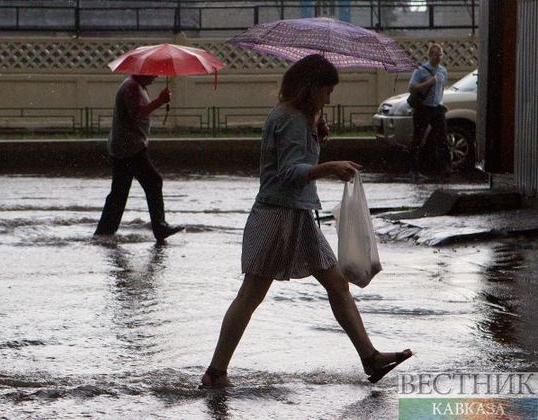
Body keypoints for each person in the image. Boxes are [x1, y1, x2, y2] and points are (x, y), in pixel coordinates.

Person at [200, 55, 412, 388]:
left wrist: (317, 137)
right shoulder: (291, 120)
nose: (330, 98)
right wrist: (329, 166)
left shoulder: (295, 117)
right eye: (327, 90)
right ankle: (215, 372)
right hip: (278, 216)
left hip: (296, 215)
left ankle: (369, 357)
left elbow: (293, 161)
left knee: (337, 284)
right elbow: (287, 173)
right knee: (250, 295)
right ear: (310, 87)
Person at [94, 74, 184, 241]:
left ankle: (104, 232)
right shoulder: (131, 88)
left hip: (125, 146)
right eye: (153, 74)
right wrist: (160, 101)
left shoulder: (136, 86)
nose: (155, 77)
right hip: (129, 147)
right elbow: (138, 113)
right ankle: (159, 226)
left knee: (119, 192)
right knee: (153, 181)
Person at [408, 43, 451, 181]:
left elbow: (442, 88)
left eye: (441, 55)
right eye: (437, 55)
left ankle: (446, 167)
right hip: (423, 108)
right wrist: (428, 82)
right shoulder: (420, 70)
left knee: (443, 138)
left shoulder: (443, 71)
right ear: (431, 55)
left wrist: (441, 103)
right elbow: (412, 88)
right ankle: (414, 169)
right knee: (418, 139)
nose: (439, 57)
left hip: (436, 107)